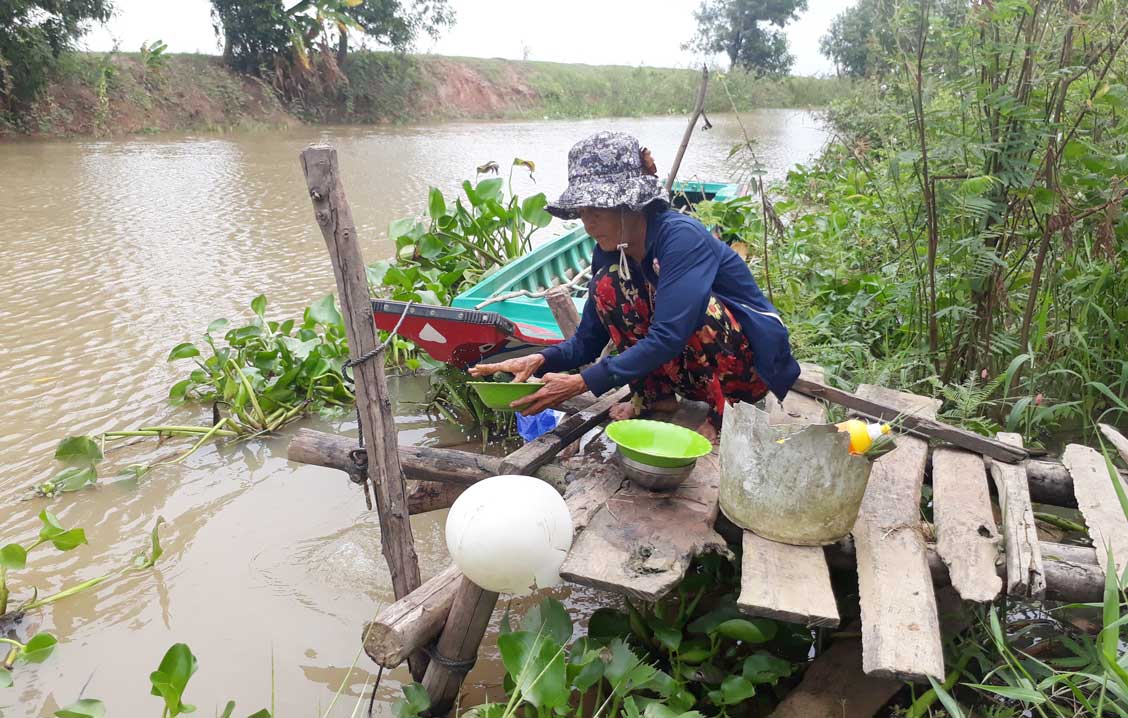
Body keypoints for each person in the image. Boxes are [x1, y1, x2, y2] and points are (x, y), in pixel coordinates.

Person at [469, 131, 800, 441]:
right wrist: (539, 361)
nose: (587, 222)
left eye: (597, 208)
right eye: (582, 211)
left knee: (698, 307)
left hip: (749, 370)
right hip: (696, 374)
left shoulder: (680, 238)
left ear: (629, 203)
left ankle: (725, 411)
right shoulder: (611, 252)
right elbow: (586, 343)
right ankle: (657, 399)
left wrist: (581, 383)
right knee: (608, 288)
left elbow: (669, 335)